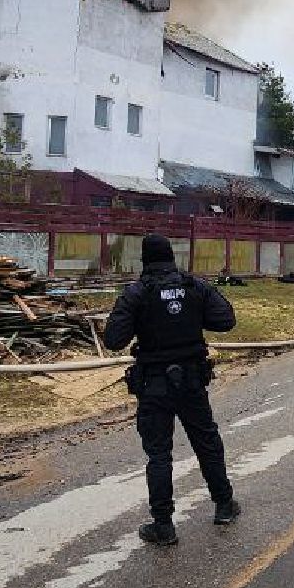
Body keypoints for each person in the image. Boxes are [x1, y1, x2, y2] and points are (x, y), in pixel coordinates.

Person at [104, 233, 241, 546]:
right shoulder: (195, 286)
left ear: (145, 260)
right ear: (171, 257)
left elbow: (113, 339)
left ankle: (163, 525)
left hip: (154, 384)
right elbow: (225, 320)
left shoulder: (137, 293)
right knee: (207, 442)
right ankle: (224, 505)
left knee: (159, 454)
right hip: (192, 380)